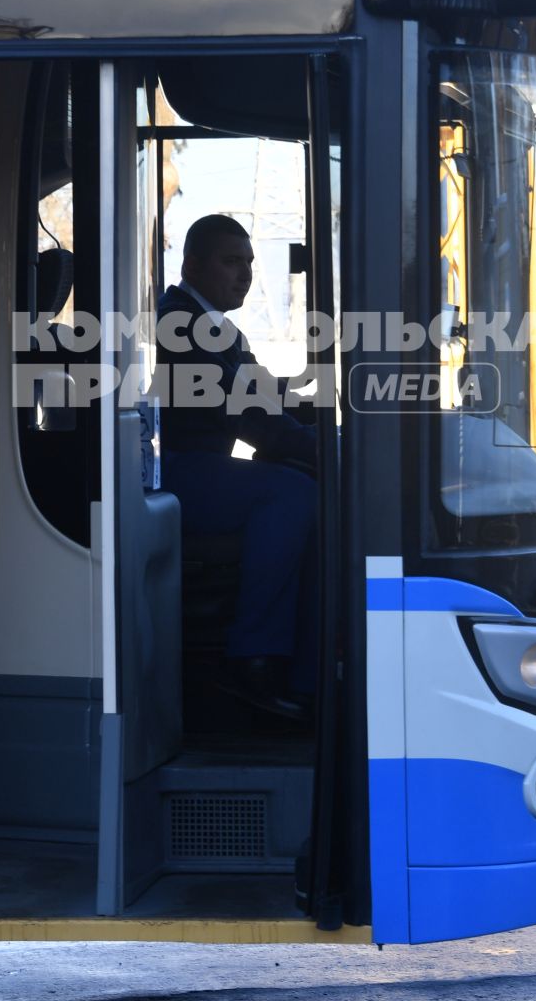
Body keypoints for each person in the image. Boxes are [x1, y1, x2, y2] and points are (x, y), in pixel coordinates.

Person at [156, 214, 316, 721]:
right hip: (179, 473)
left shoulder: (220, 329)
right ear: (193, 264)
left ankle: (307, 669)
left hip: (207, 472)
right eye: (231, 262)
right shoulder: (178, 325)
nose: (245, 275)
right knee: (291, 493)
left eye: (248, 263)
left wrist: (333, 417)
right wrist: (323, 450)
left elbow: (269, 394)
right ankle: (252, 662)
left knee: (302, 482)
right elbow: (246, 412)